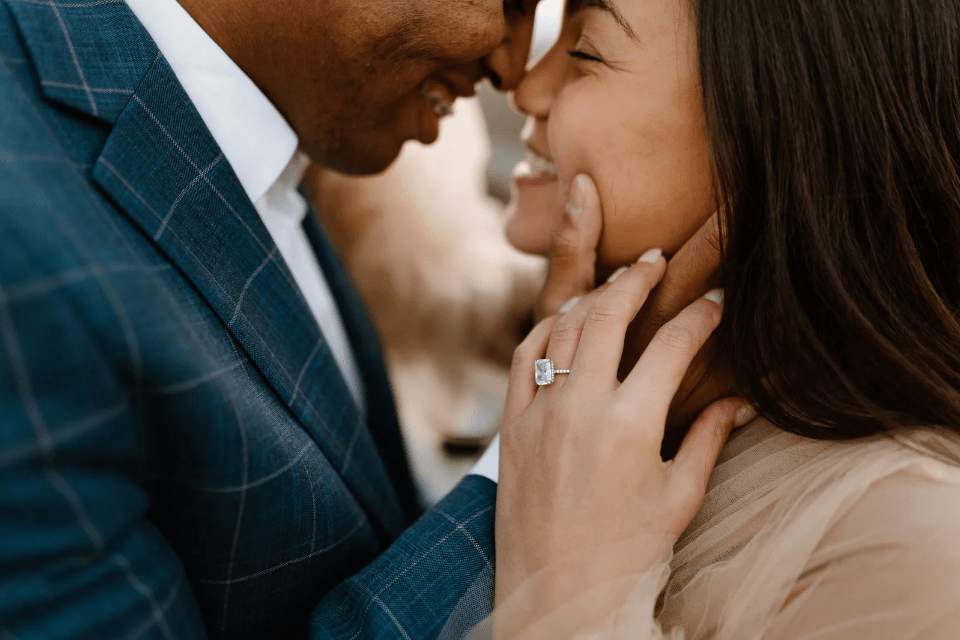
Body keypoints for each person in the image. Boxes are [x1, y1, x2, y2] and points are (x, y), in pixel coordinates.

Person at [0, 0, 731, 637]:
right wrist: (539, 468)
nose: (513, 69)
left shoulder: (269, 130)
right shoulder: (22, 260)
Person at [476, 0, 960, 637]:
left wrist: (565, 598)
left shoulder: (912, 546)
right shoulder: (627, 398)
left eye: (586, 51)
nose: (525, 86)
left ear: (774, 127)